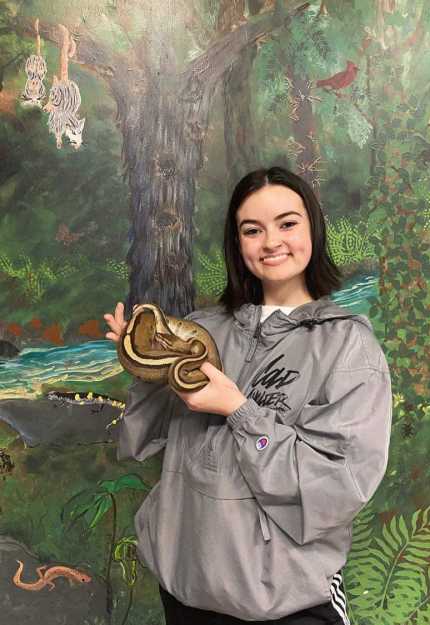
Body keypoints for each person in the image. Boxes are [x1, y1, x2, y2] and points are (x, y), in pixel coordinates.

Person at [104, 166, 392, 625]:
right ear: (237, 244)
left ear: (312, 228)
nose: (271, 241)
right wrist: (143, 362)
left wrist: (238, 410)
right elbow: (146, 439)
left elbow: (336, 487)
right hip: (187, 592)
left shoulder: (347, 346)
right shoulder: (205, 328)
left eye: (287, 223)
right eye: (252, 230)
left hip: (285, 602)